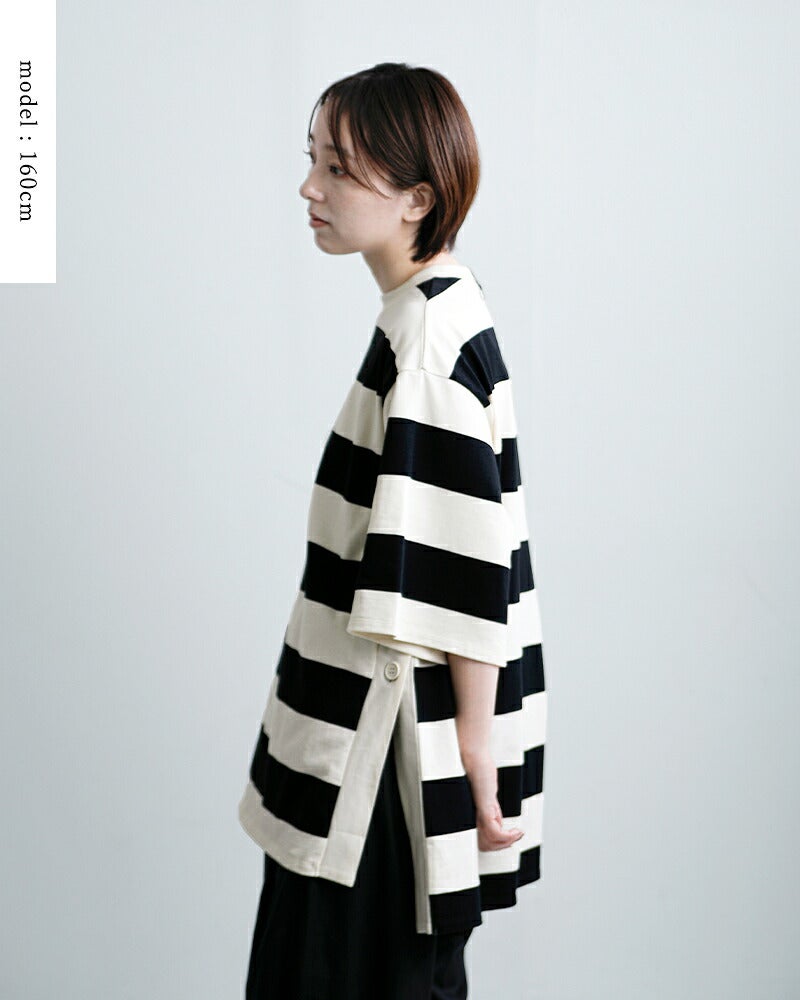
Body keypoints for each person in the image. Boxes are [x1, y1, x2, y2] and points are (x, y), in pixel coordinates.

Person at [240, 62, 547, 999]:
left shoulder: (425, 343)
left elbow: (462, 575)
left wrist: (477, 757)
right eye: (313, 158)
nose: (310, 187)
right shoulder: (437, 306)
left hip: (377, 757)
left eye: (338, 167)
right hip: (372, 743)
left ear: (417, 197)